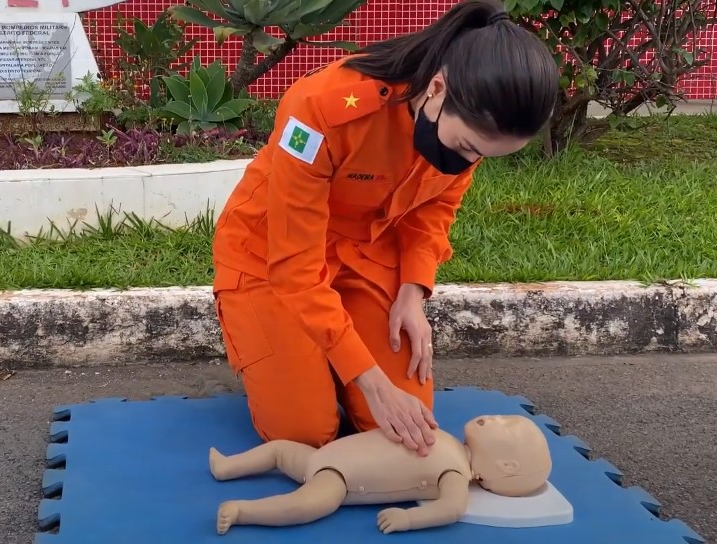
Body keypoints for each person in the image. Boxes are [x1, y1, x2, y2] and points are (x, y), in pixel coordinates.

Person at [211, 0, 558, 456]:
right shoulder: (321, 110)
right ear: (438, 87)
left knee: (403, 427)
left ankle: (326, 361)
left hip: (364, 256)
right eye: (468, 147)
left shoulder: (463, 133)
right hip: (269, 258)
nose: (469, 163)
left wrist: (413, 293)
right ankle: (300, 361)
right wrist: (370, 379)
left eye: (483, 157)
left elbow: (433, 211)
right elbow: (295, 266)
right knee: (303, 433)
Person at [208, 414, 553, 535]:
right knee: (280, 448)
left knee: (305, 505)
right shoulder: (448, 440)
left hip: (338, 479)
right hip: (325, 456)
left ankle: (242, 511)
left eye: (506, 426)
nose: (495, 418)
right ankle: (229, 466)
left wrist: (408, 518)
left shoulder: (455, 472)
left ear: (507, 467)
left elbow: (452, 509)